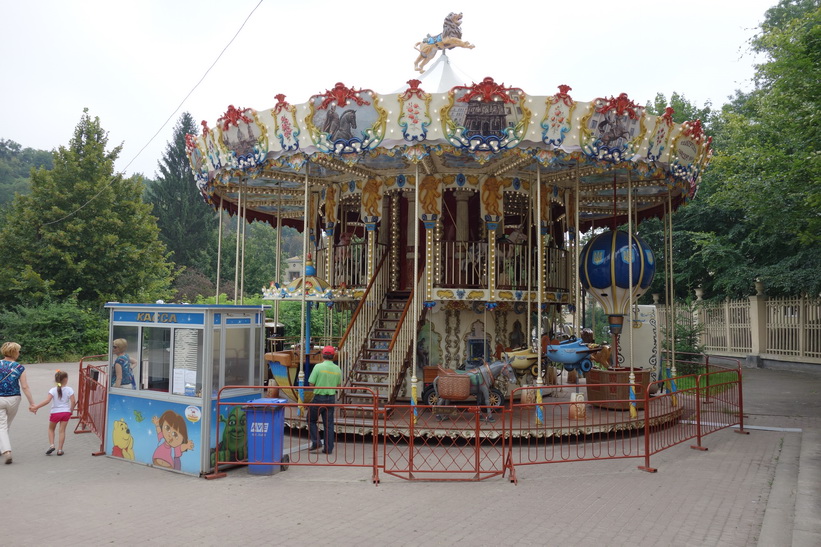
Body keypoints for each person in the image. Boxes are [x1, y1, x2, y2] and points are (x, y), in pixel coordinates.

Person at [0, 342, 35, 464]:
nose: (19, 353)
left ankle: (6, 451)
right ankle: (3, 448)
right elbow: (25, 387)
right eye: (18, 351)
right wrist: (32, 403)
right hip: (14, 398)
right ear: (14, 352)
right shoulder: (20, 367)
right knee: (5, 425)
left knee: (2, 425)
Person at [31, 370, 76, 456]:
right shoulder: (69, 389)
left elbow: (47, 401)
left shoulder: (53, 390)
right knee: (62, 431)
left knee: (51, 429)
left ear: (56, 380)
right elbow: (73, 401)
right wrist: (71, 410)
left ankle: (52, 445)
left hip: (55, 413)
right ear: (66, 379)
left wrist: (36, 407)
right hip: (66, 412)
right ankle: (60, 449)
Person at [308, 345, 342, 455]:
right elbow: (338, 385)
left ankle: (316, 441)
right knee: (329, 424)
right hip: (331, 399)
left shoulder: (318, 367)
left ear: (323, 355)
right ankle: (328, 448)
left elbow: (311, 383)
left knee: (311, 419)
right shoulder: (337, 369)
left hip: (319, 397)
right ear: (333, 356)